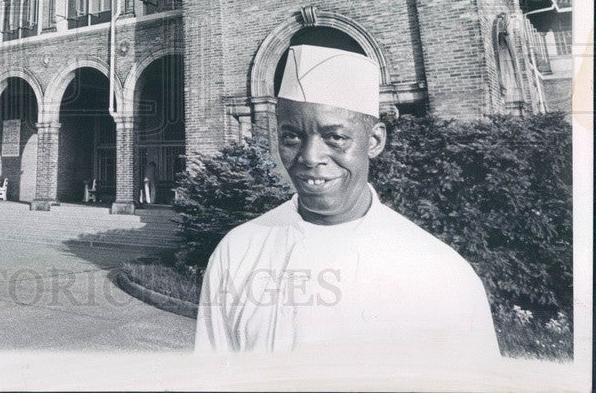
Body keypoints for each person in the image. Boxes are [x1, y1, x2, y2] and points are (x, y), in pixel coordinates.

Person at [195, 44, 500, 363]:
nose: (310, 157)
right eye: (291, 137)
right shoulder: (238, 252)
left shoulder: (440, 274)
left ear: (374, 140)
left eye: (335, 137)